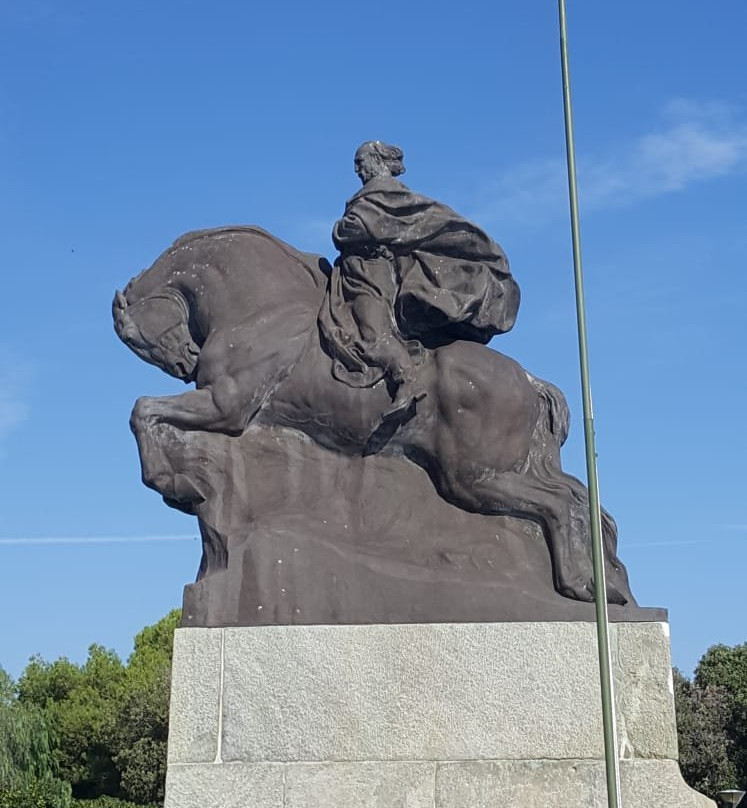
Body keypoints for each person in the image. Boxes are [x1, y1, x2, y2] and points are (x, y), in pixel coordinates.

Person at [318, 140, 520, 423]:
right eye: (356, 163)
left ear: (378, 161)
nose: (357, 168)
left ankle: (407, 381)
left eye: (361, 161)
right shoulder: (370, 198)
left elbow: (356, 229)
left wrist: (342, 228)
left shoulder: (388, 197)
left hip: (371, 276)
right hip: (352, 273)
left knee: (373, 334)